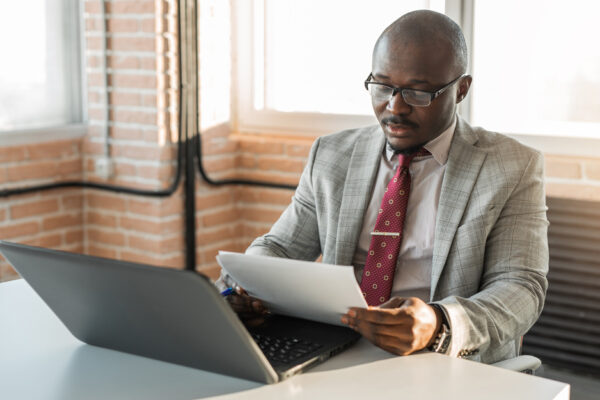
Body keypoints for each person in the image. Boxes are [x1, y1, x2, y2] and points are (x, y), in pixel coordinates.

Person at [220, 9, 548, 364]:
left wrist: (440, 323)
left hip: (442, 360)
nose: (395, 107)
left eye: (418, 93)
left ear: (461, 90)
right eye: (382, 86)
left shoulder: (512, 166)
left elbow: (520, 287)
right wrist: (246, 290)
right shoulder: (332, 156)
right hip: (334, 349)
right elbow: (279, 248)